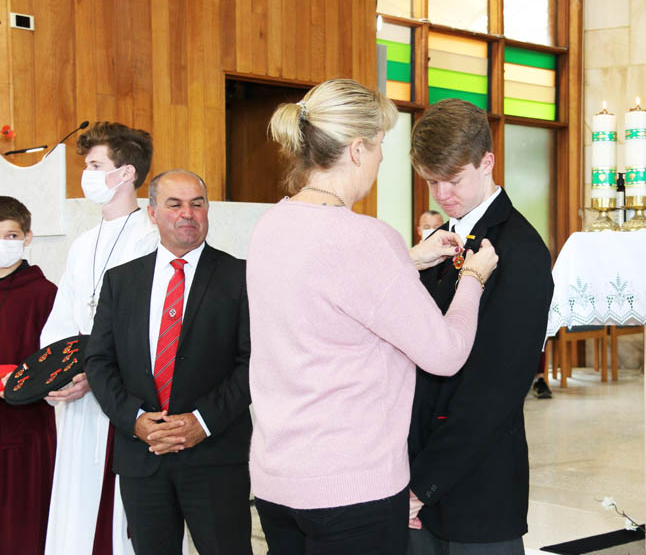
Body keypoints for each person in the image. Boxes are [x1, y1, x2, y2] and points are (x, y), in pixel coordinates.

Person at [247, 78, 498, 555]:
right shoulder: (365, 238)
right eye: (381, 144)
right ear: (357, 149)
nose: (382, 159)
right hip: (350, 487)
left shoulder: (272, 223)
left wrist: (407, 260)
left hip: (277, 481)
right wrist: (473, 278)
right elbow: (445, 354)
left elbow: (325, 292)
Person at [406, 99, 554, 554]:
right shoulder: (436, 244)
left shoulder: (521, 249)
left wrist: (424, 484)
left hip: (477, 487)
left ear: (487, 162)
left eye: (453, 180)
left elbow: (497, 388)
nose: (442, 194)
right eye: (431, 181)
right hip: (417, 473)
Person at [84, 170, 252, 554]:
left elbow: (253, 362)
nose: (187, 214)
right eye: (174, 204)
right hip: (142, 457)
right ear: (152, 213)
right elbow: (99, 361)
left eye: (197, 204)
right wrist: (134, 419)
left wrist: (202, 422)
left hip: (215, 455)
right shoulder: (120, 282)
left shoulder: (240, 276)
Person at [40, 122, 158, 555]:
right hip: (79, 390)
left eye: (95, 165)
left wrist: (97, 372)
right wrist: (55, 375)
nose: (86, 175)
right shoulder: (83, 244)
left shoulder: (150, 238)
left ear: (126, 173)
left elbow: (146, 326)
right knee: (78, 497)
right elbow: (61, 320)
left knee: (122, 511)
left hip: (124, 390)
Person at [0, 197, 58, 555]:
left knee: (20, 534)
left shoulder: (45, 294)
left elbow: (59, 365)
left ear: (27, 237)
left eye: (10, 235)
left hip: (24, 432)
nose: (2, 244)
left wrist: (17, 379)